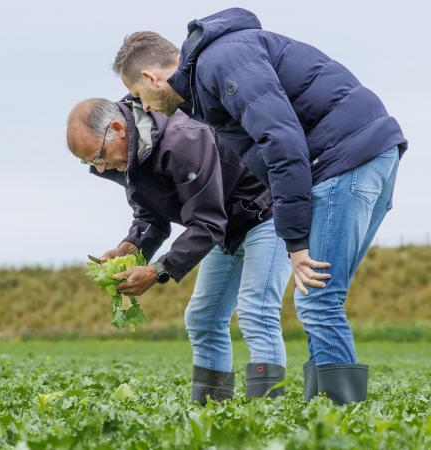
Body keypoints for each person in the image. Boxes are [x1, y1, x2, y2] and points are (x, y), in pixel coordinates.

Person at [112, 8, 408, 404]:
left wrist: (296, 241)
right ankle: (325, 414)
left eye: (138, 96)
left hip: (347, 159)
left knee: (318, 298)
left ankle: (346, 420)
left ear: (151, 78)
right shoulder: (208, 80)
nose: (143, 107)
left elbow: (282, 145)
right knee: (321, 298)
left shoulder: (222, 61)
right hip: (363, 154)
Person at [66, 97, 291, 403]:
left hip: (264, 214)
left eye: (100, 156)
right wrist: (129, 247)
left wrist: (159, 270)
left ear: (117, 128)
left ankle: (270, 413)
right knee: (203, 319)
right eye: (91, 163)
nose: (102, 167)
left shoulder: (182, 138)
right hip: (224, 229)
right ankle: (213, 410)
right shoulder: (126, 157)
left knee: (256, 312)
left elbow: (207, 221)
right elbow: (150, 216)